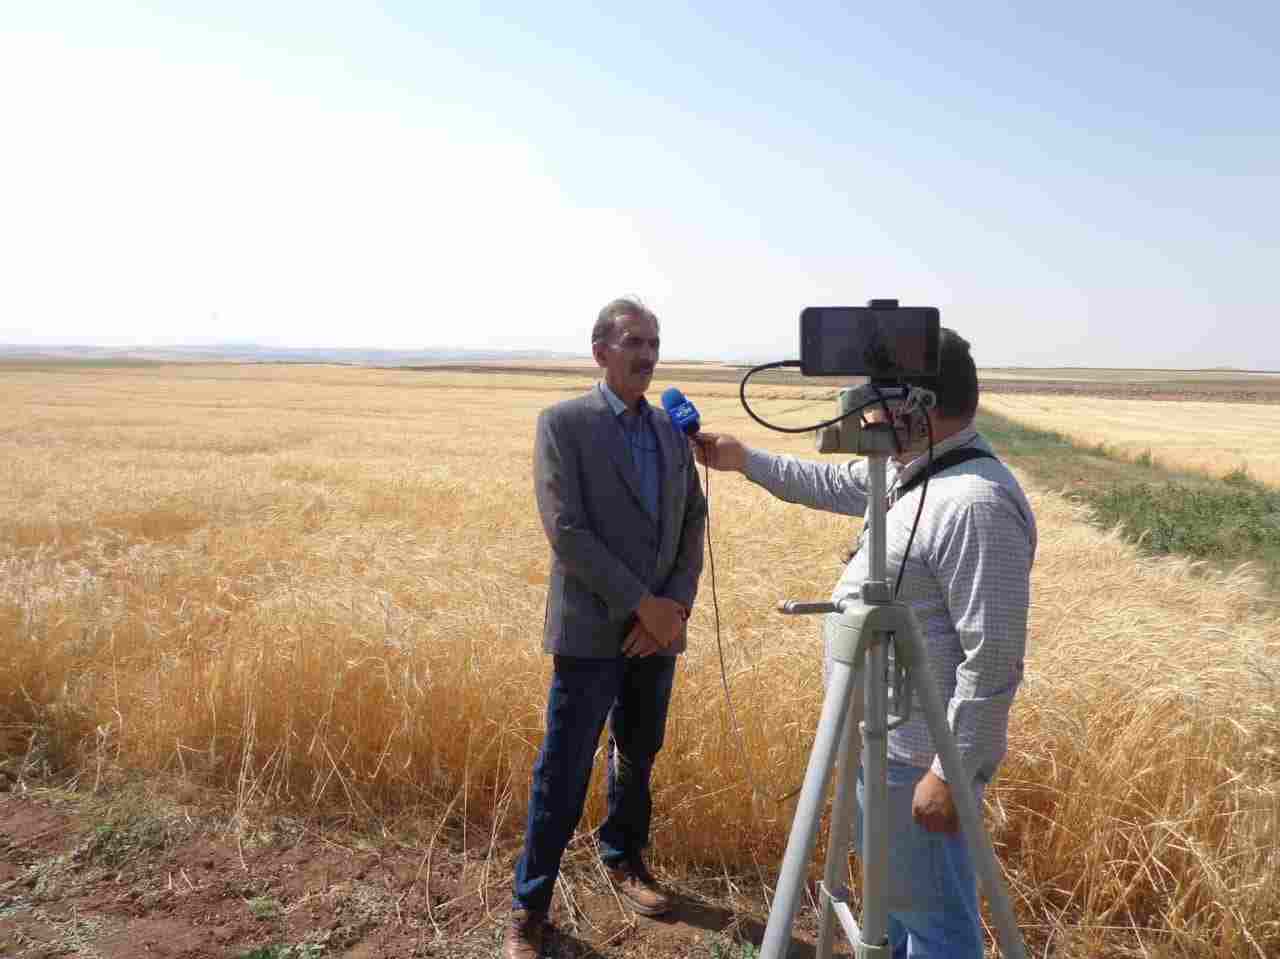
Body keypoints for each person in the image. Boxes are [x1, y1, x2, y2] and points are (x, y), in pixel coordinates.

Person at [694, 329, 1035, 958]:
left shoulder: (973, 501)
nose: (865, 419)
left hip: (919, 759)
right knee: (897, 910)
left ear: (917, 407)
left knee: (935, 926)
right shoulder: (915, 475)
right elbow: (833, 483)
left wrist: (952, 774)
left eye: (876, 403)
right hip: (880, 741)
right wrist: (744, 460)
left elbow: (994, 657)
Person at [504, 298, 707, 959]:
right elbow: (566, 530)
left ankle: (623, 858)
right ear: (600, 352)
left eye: (653, 343)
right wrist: (642, 605)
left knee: (639, 751)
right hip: (593, 630)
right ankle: (530, 907)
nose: (647, 355)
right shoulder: (564, 424)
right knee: (564, 766)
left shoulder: (671, 431)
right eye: (633, 342)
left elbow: (693, 520)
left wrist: (673, 606)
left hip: (659, 631)